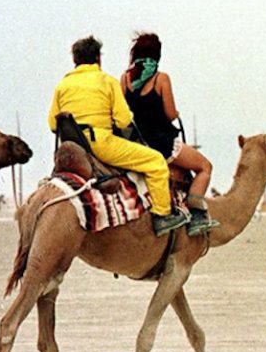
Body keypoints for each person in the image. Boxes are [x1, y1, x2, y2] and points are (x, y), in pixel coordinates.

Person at [49, 36, 187, 236]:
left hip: (73, 147)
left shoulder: (63, 85)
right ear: (98, 58)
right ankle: (162, 215)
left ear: (75, 60)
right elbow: (123, 120)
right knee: (156, 162)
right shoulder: (107, 81)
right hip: (101, 144)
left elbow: (53, 123)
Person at [120, 33, 218, 236]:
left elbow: (124, 114)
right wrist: (176, 113)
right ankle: (197, 216)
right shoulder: (161, 78)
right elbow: (171, 114)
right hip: (162, 142)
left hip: (137, 144)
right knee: (205, 167)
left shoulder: (124, 79)